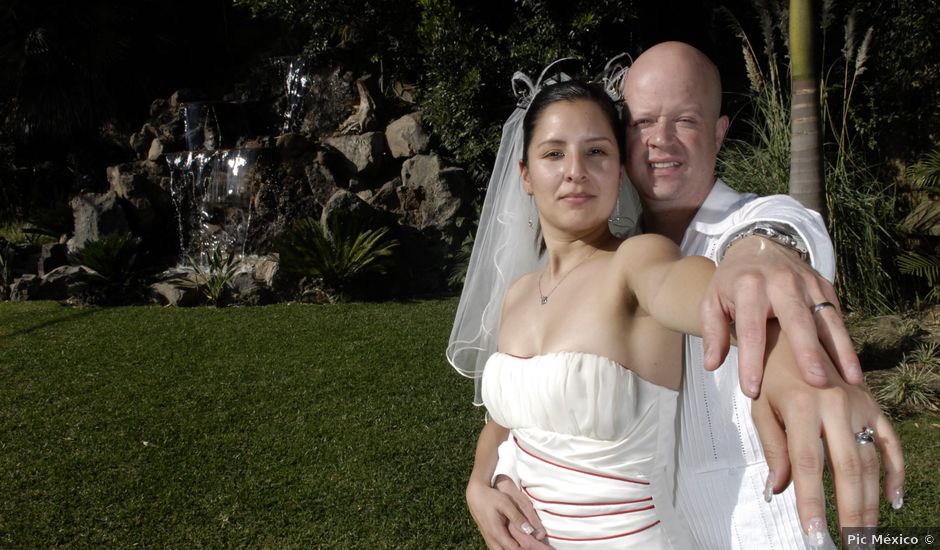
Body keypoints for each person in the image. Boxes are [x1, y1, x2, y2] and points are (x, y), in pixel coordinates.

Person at [454, 42, 904, 549]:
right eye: (643, 122)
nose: (575, 170)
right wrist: (479, 482)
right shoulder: (521, 292)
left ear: (718, 133)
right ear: (525, 175)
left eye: (685, 120)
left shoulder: (660, 253)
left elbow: (761, 254)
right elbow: (507, 421)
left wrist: (780, 337)